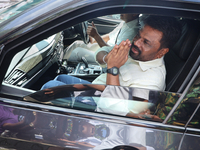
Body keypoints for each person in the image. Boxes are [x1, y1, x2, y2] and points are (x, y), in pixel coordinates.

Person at [41, 15, 182, 115]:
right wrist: (107, 59)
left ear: (161, 52)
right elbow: (106, 51)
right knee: (61, 78)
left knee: (48, 88)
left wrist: (113, 69)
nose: (137, 43)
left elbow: (114, 111)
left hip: (101, 105)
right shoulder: (140, 53)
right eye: (138, 35)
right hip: (99, 89)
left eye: (146, 42)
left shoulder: (151, 83)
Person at [64, 14, 139, 63]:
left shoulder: (132, 31)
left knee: (78, 52)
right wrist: (94, 39)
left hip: (107, 56)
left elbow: (114, 54)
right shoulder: (125, 22)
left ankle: (60, 67)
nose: (121, 10)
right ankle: (59, 60)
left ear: (134, 14)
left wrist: (96, 36)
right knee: (77, 44)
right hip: (106, 46)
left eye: (125, 9)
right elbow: (110, 36)